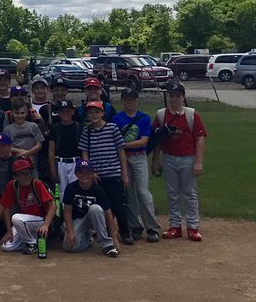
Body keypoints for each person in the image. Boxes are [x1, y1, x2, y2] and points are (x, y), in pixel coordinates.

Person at [152, 82, 207, 242]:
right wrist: (156, 159)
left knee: (189, 193)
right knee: (172, 193)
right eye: (172, 96)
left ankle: (192, 226)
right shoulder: (162, 115)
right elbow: (157, 139)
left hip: (187, 157)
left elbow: (200, 138)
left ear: (183, 97)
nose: (174, 99)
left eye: (177, 96)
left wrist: (198, 161)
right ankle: (175, 225)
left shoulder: (191, 115)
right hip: (169, 157)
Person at [112, 89, 161, 243]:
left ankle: (152, 227)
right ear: (122, 101)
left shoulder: (144, 118)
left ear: (136, 100)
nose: (129, 102)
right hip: (123, 158)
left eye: (132, 99)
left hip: (139, 157)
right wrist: (123, 147)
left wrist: (123, 145)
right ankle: (135, 226)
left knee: (142, 192)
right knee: (130, 194)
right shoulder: (116, 119)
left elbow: (144, 141)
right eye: (126, 99)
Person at [78, 100, 131, 244]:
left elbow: (121, 151)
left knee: (119, 206)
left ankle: (125, 232)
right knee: (101, 207)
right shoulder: (86, 131)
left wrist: (124, 174)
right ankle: (106, 233)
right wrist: (90, 172)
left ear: (102, 113)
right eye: (90, 112)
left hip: (113, 173)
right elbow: (85, 153)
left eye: (96, 112)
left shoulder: (112, 128)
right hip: (97, 176)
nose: (93, 115)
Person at [62, 161, 120, 257]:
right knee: (69, 247)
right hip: (77, 220)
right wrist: (70, 231)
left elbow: (108, 213)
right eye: (81, 172)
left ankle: (107, 245)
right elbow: (67, 211)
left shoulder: (98, 190)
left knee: (95, 208)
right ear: (76, 174)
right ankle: (87, 238)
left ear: (93, 173)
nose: (85, 175)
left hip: (94, 219)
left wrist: (114, 238)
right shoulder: (71, 188)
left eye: (88, 172)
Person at [0, 158, 55, 253]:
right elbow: (7, 208)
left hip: (40, 220)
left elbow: (53, 206)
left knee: (16, 218)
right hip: (24, 222)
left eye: (28, 173)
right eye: (22, 174)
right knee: (6, 246)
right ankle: (33, 238)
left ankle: (32, 243)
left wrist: (46, 225)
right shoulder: (12, 185)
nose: (26, 176)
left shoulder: (36, 184)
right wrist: (9, 231)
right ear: (15, 176)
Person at [47, 100, 83, 198]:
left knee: (77, 190)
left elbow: (84, 148)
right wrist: (52, 170)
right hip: (60, 163)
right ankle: (62, 212)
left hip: (76, 161)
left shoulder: (79, 127)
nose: (65, 113)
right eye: (62, 111)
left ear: (72, 111)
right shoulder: (55, 128)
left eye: (68, 110)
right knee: (61, 191)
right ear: (58, 113)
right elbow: (51, 150)